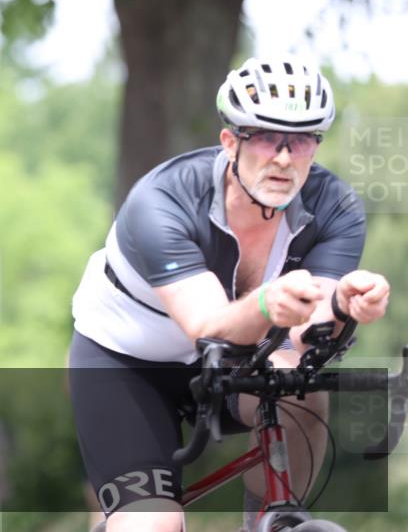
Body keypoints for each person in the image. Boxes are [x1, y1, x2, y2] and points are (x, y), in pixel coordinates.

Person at [67, 57, 391, 532]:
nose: (283, 157)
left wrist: (345, 305)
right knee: (153, 526)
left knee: (298, 384)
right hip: (127, 362)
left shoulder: (335, 207)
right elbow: (206, 327)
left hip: (238, 356)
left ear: (314, 149)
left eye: (299, 141)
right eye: (265, 138)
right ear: (230, 142)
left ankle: (273, 519)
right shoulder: (162, 200)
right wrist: (266, 303)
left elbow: (306, 336)